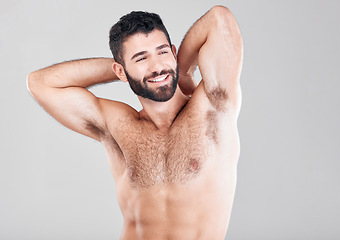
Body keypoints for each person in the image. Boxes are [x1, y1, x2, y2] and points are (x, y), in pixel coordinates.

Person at [27, 5, 243, 240]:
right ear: (120, 71)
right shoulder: (119, 126)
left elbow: (219, 19)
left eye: (162, 52)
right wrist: (127, 71)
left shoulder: (213, 105)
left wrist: (183, 70)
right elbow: (40, 83)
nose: (157, 66)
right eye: (141, 58)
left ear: (173, 52)